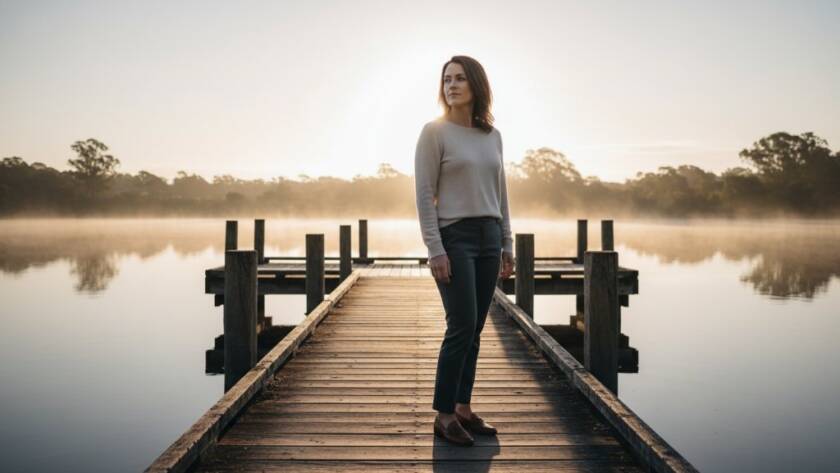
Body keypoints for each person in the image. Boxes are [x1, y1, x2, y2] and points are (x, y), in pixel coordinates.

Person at [413, 55, 515, 447]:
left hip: (490, 235)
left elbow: (501, 193)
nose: (451, 85)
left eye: (459, 79)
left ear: (476, 84)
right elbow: (424, 195)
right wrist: (434, 248)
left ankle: (463, 408)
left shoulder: (493, 136)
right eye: (446, 79)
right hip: (454, 237)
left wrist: (507, 241)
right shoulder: (433, 133)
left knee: (474, 329)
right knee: (461, 324)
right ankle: (443, 415)